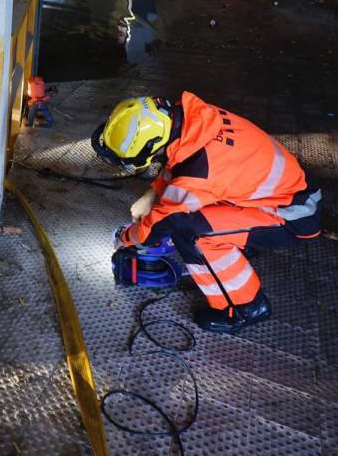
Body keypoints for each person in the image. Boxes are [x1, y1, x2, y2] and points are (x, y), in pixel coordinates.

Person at [92, 92, 323, 334]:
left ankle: (246, 307)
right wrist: (150, 195)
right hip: (281, 193)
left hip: (293, 215)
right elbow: (178, 160)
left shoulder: (200, 171)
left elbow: (161, 224)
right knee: (190, 214)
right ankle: (239, 244)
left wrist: (125, 239)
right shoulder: (189, 119)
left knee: (192, 234)